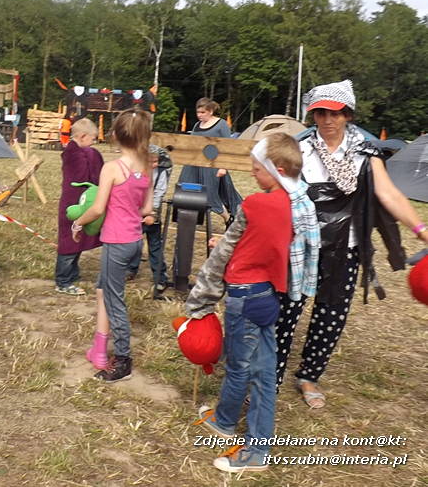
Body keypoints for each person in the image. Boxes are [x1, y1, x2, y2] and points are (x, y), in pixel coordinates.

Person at [275, 80, 428, 409]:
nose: (328, 120)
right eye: (321, 113)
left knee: (331, 315)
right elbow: (279, 195)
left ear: (347, 115)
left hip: (346, 246)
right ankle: (269, 373)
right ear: (313, 115)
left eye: (336, 113)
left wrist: (421, 229)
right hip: (302, 245)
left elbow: (388, 194)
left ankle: (309, 375)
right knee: (286, 311)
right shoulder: (299, 149)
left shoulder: (367, 152)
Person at [187, 134, 305, 473]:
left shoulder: (254, 204)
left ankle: (254, 449)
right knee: (264, 372)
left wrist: (201, 299)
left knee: (242, 367)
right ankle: (225, 419)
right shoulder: (297, 206)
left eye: (257, 168)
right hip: (269, 297)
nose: (252, 173)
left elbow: (225, 251)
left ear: (277, 170)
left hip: (244, 296)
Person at [72, 108, 154, 382]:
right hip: (133, 241)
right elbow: (147, 208)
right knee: (103, 288)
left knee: (113, 299)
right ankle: (98, 347)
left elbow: (97, 208)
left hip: (116, 242)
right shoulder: (146, 167)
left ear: (116, 135)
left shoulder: (112, 168)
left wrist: (78, 223)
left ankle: (122, 360)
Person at [54, 117, 103, 296]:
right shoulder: (73, 154)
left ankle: (72, 273)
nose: (94, 143)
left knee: (78, 239)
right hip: (73, 204)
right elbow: (80, 178)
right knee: (69, 243)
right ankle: (63, 280)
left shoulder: (82, 152)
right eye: (92, 139)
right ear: (82, 136)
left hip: (80, 201)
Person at [177, 98, 242, 224]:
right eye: (198, 112)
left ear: (210, 111)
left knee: (210, 196)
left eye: (203, 112)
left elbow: (228, 146)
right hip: (194, 164)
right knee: (186, 189)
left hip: (212, 165)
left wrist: (223, 167)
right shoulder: (197, 125)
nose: (199, 115)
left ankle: (228, 219)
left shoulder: (221, 124)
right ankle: (191, 221)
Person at [127, 144, 171, 298]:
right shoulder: (135, 172)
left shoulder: (161, 173)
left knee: (155, 245)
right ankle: (130, 269)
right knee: (134, 243)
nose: (155, 164)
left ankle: (160, 276)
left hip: (152, 214)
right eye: (151, 161)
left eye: (157, 161)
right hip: (136, 213)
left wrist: (153, 214)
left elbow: (159, 193)